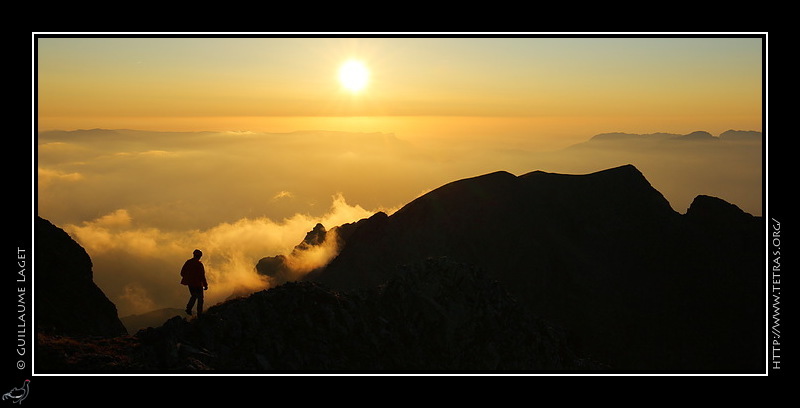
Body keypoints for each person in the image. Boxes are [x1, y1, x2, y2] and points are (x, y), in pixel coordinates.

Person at [180, 249, 208, 316]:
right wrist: (205, 285)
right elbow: (202, 276)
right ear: (200, 256)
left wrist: (188, 278)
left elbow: (182, 273)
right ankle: (199, 314)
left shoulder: (188, 262)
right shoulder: (199, 264)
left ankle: (189, 308)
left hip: (190, 284)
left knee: (194, 296)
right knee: (200, 299)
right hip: (198, 284)